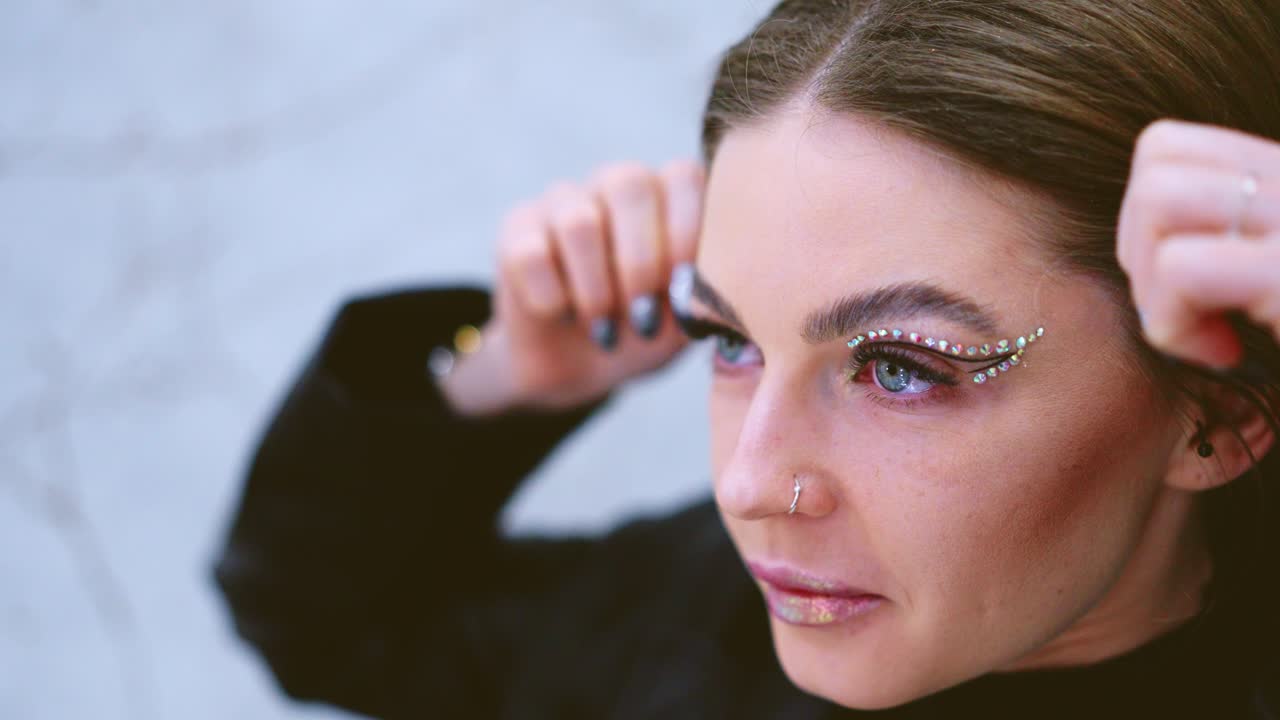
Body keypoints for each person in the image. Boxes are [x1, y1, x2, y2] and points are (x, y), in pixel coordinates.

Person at [211, 1, 1280, 717]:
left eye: (900, 368)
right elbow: (331, 624)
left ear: (1218, 414)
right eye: (727, 341)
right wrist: (496, 373)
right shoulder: (685, 627)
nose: (750, 482)